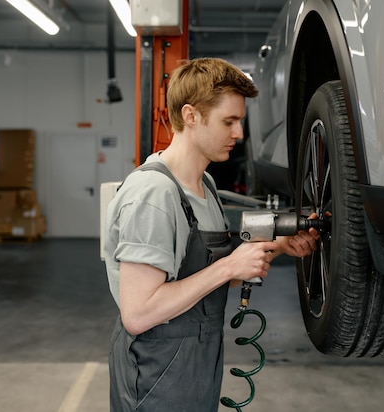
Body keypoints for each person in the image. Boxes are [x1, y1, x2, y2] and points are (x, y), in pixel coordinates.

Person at [103, 57, 320, 412]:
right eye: (229, 121)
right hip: (155, 370)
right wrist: (229, 267)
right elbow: (138, 313)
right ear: (190, 116)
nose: (238, 134)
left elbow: (205, 283)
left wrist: (276, 247)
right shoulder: (154, 195)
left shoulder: (204, 185)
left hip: (197, 364)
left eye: (240, 122)